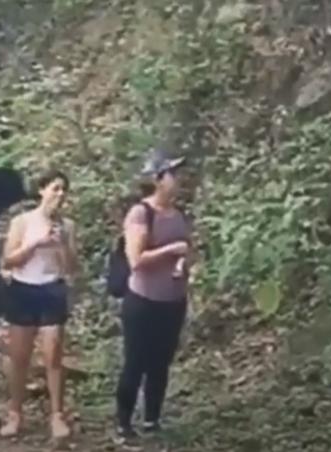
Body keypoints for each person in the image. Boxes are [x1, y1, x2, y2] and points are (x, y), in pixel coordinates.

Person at [114, 149, 192, 445]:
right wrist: (171, 251)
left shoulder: (178, 214)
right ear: (159, 179)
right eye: (174, 173)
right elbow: (136, 259)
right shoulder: (140, 213)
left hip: (172, 299)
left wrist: (184, 263)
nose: (180, 179)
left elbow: (186, 249)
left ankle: (152, 418)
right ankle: (123, 422)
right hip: (143, 300)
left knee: (161, 362)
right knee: (136, 361)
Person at [0, 169, 78, 440]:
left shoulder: (67, 226)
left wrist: (62, 244)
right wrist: (36, 244)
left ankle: (57, 415)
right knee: (19, 357)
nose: (60, 194)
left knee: (53, 354)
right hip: (23, 289)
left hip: (52, 289)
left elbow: (72, 267)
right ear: (42, 190)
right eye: (55, 188)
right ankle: (15, 413)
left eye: (64, 190)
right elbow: (8, 260)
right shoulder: (22, 222)